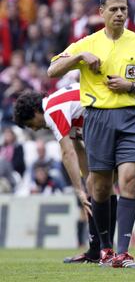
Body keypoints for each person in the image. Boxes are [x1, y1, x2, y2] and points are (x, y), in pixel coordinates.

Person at [47, 0, 135, 268]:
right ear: (101, 12)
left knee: (130, 178)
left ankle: (123, 251)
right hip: (97, 118)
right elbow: (53, 71)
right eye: (114, 9)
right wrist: (79, 57)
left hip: (131, 116)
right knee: (100, 187)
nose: (120, 14)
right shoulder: (88, 42)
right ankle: (106, 249)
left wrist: (130, 86)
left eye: (123, 9)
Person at [13, 83, 118, 263]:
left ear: (35, 112)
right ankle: (97, 251)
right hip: (110, 119)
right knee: (97, 187)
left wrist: (78, 190)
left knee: (100, 188)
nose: (36, 129)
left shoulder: (52, 111)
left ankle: (103, 251)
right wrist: (86, 182)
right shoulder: (60, 104)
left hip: (113, 120)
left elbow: (67, 153)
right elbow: (78, 147)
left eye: (31, 124)